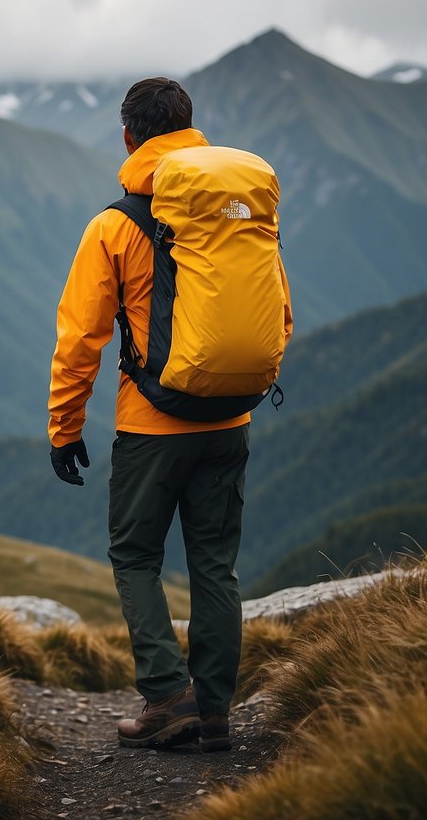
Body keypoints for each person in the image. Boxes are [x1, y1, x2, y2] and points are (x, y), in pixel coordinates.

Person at [46, 77, 293, 752]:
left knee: (134, 556)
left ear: (128, 137)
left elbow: (79, 339)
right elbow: (279, 314)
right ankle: (212, 711)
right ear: (190, 130)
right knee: (216, 565)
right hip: (230, 421)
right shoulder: (236, 211)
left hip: (150, 425)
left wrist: (64, 428)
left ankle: (164, 697)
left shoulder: (114, 225)